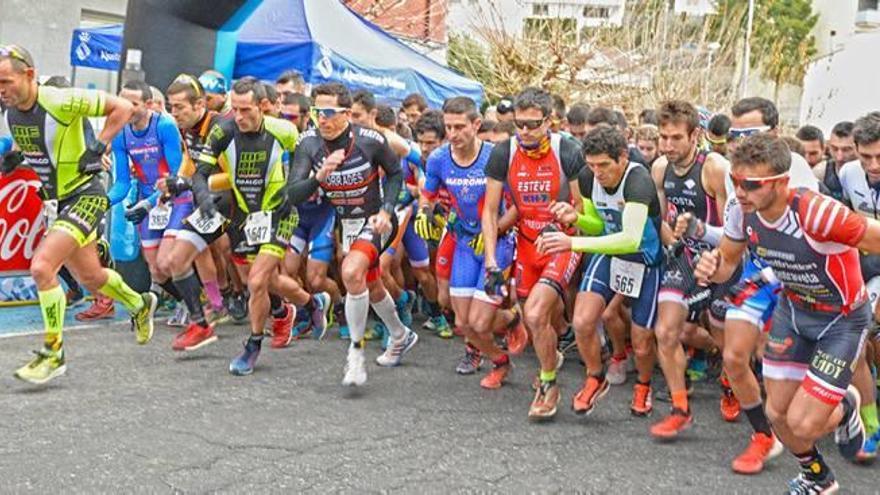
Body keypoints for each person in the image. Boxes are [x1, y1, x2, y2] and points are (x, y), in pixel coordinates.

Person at [695, 133, 876, 494]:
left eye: (751, 184)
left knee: (805, 424)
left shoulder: (818, 213)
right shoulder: (740, 210)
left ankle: (848, 402)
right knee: (778, 416)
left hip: (841, 319)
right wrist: (711, 267)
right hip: (793, 309)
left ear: (780, 183)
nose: (739, 191)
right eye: (734, 181)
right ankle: (817, 476)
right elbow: (728, 263)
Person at [0, 44, 157, 384]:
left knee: (42, 267)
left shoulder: (59, 99)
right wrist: (16, 159)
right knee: (91, 278)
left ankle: (53, 352)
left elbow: (125, 107)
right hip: (58, 201)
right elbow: (48, 150)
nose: (2, 89)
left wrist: (98, 146)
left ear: (28, 74)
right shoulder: (11, 112)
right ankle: (140, 303)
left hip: (86, 195)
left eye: (6, 81)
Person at [164, 77, 329, 374]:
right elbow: (200, 173)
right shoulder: (223, 132)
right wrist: (202, 198)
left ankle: (252, 346)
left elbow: (310, 153)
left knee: (255, 282)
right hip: (242, 215)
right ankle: (311, 303)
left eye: (246, 110)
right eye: (235, 110)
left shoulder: (284, 131)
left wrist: (297, 186)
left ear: (262, 107)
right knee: (266, 280)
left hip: (279, 213)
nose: (239, 117)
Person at [287, 82, 414, 387]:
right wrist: (319, 176)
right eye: (318, 112)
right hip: (348, 223)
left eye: (330, 112)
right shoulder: (308, 144)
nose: (323, 119)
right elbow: (293, 193)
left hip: (377, 220)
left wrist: (386, 209)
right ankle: (400, 334)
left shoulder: (370, 140)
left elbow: (396, 173)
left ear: (346, 113)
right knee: (368, 282)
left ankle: (355, 355)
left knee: (351, 271)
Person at [539, 125, 662, 417]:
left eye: (604, 165)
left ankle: (644, 384)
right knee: (582, 321)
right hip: (609, 252)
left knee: (642, 341)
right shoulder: (587, 177)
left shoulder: (638, 179)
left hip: (643, 258)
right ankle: (595, 376)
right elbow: (599, 225)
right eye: (592, 165)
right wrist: (576, 217)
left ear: (622, 157)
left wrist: (572, 242)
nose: (598, 172)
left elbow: (631, 237)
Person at [482, 87, 585, 420]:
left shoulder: (567, 150)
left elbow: (583, 207)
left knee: (538, 314)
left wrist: (570, 227)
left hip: (560, 241)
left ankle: (548, 384)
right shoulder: (503, 152)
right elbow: (491, 210)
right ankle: (550, 357)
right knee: (538, 319)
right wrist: (491, 260)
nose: (524, 132)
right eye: (519, 124)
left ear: (550, 121)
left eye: (532, 125)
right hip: (526, 245)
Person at [417, 96, 525, 388]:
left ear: (476, 124)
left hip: (497, 243)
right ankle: (500, 359)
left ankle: (512, 321)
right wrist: (425, 213)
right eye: (448, 127)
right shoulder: (439, 158)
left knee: (480, 322)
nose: (453, 134)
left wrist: (497, 230)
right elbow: (427, 196)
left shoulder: (496, 156)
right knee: (463, 324)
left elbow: (517, 206)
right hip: (464, 242)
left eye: (460, 127)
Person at [650, 100, 730, 440]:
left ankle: (731, 379)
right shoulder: (658, 168)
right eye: (663, 137)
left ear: (695, 135)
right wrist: (676, 247)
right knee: (665, 331)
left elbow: (733, 228)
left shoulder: (713, 167)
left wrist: (712, 260)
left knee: (728, 341)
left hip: (718, 256)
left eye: (675, 138)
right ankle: (680, 408)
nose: (668, 145)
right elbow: (663, 220)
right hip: (682, 255)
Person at [107, 80, 187, 314]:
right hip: (147, 200)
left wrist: (149, 202)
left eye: (133, 104)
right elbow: (122, 182)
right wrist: (102, 202)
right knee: (155, 268)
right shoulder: (120, 132)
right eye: (122, 103)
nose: (126, 109)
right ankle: (186, 300)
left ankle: (199, 304)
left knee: (170, 260)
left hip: (174, 197)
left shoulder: (164, 125)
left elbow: (175, 175)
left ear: (149, 104)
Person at [812, 121, 857, 202]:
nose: (839, 157)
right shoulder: (821, 172)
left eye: (846, 150)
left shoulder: (871, 173)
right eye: (834, 149)